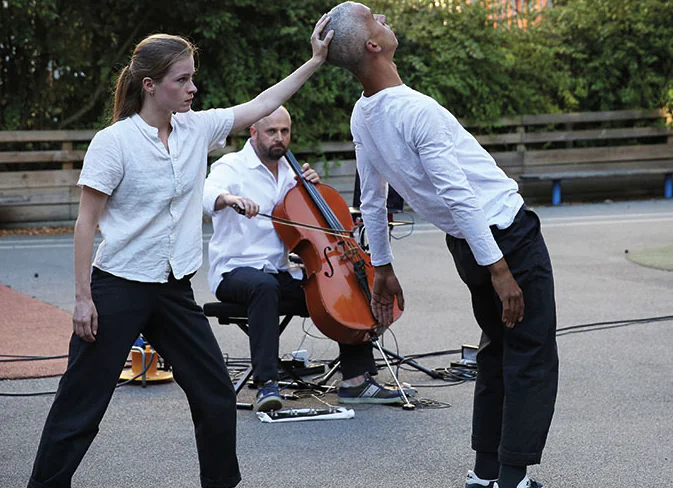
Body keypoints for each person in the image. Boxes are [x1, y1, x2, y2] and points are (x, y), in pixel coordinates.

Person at [28, 17, 333, 488]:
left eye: (192, 77)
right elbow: (86, 221)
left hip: (173, 289)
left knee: (214, 396)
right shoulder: (114, 143)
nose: (193, 87)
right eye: (183, 79)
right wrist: (83, 298)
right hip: (119, 287)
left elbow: (262, 104)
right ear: (150, 86)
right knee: (80, 405)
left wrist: (314, 61)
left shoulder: (196, 130)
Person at [322, 3, 558, 488]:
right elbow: (458, 194)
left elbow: (371, 197)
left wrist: (383, 266)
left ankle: (485, 473)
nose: (386, 21)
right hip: (503, 240)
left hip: (469, 246)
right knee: (530, 354)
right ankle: (512, 480)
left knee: (496, 353)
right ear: (372, 45)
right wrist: (500, 269)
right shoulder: (416, 111)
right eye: (377, 20)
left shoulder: (364, 113)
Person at [202, 105, 410, 412]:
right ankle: (266, 384)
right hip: (235, 272)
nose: (280, 138)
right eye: (272, 131)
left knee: (347, 286)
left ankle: (356, 381)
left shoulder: (291, 174)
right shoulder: (231, 166)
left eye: (285, 131)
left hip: (280, 271)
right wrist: (229, 199)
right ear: (254, 132)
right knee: (263, 287)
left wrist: (309, 188)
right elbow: (207, 195)